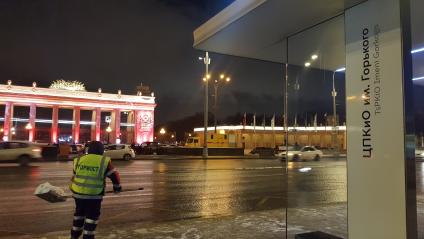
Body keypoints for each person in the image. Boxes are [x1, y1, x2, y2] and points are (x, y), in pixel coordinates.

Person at [69, 141, 121, 239]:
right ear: (101, 150)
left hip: (78, 194)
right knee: (91, 218)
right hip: (94, 196)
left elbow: (75, 175)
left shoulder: (79, 159)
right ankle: (88, 237)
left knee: (79, 215)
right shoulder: (104, 161)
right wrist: (117, 188)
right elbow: (115, 175)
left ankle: (74, 236)